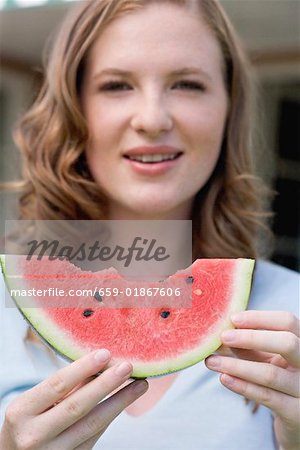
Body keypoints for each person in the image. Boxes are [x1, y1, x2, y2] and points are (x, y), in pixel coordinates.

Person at [0, 0, 299, 449]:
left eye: (187, 84)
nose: (153, 119)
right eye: (117, 85)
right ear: (75, 109)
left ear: (228, 109)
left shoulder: (292, 313)